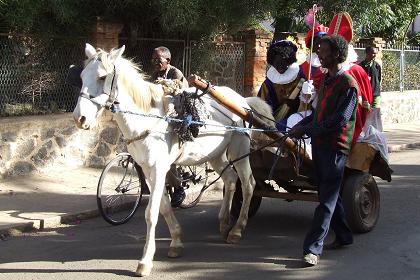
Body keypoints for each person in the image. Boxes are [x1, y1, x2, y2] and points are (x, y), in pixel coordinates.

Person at [288, 35, 358, 266]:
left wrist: (310, 130)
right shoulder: (326, 80)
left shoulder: (348, 84)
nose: (319, 54)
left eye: (324, 51)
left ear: (337, 55)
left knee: (326, 199)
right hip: (320, 146)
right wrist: (303, 126)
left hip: (335, 149)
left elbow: (340, 120)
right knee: (329, 194)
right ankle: (345, 236)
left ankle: (313, 249)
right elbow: (320, 114)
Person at [150, 46, 188, 208]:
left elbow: (180, 94)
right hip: (161, 119)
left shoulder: (175, 74)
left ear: (168, 61)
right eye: (153, 60)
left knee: (168, 158)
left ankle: (179, 188)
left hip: (179, 117)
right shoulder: (155, 74)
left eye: (158, 60)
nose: (155, 63)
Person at [257, 40, 306, 131]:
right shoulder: (268, 83)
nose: (280, 67)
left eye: (283, 64)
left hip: (297, 121)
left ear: (289, 61)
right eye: (277, 64)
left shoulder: (300, 76)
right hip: (275, 122)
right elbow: (263, 105)